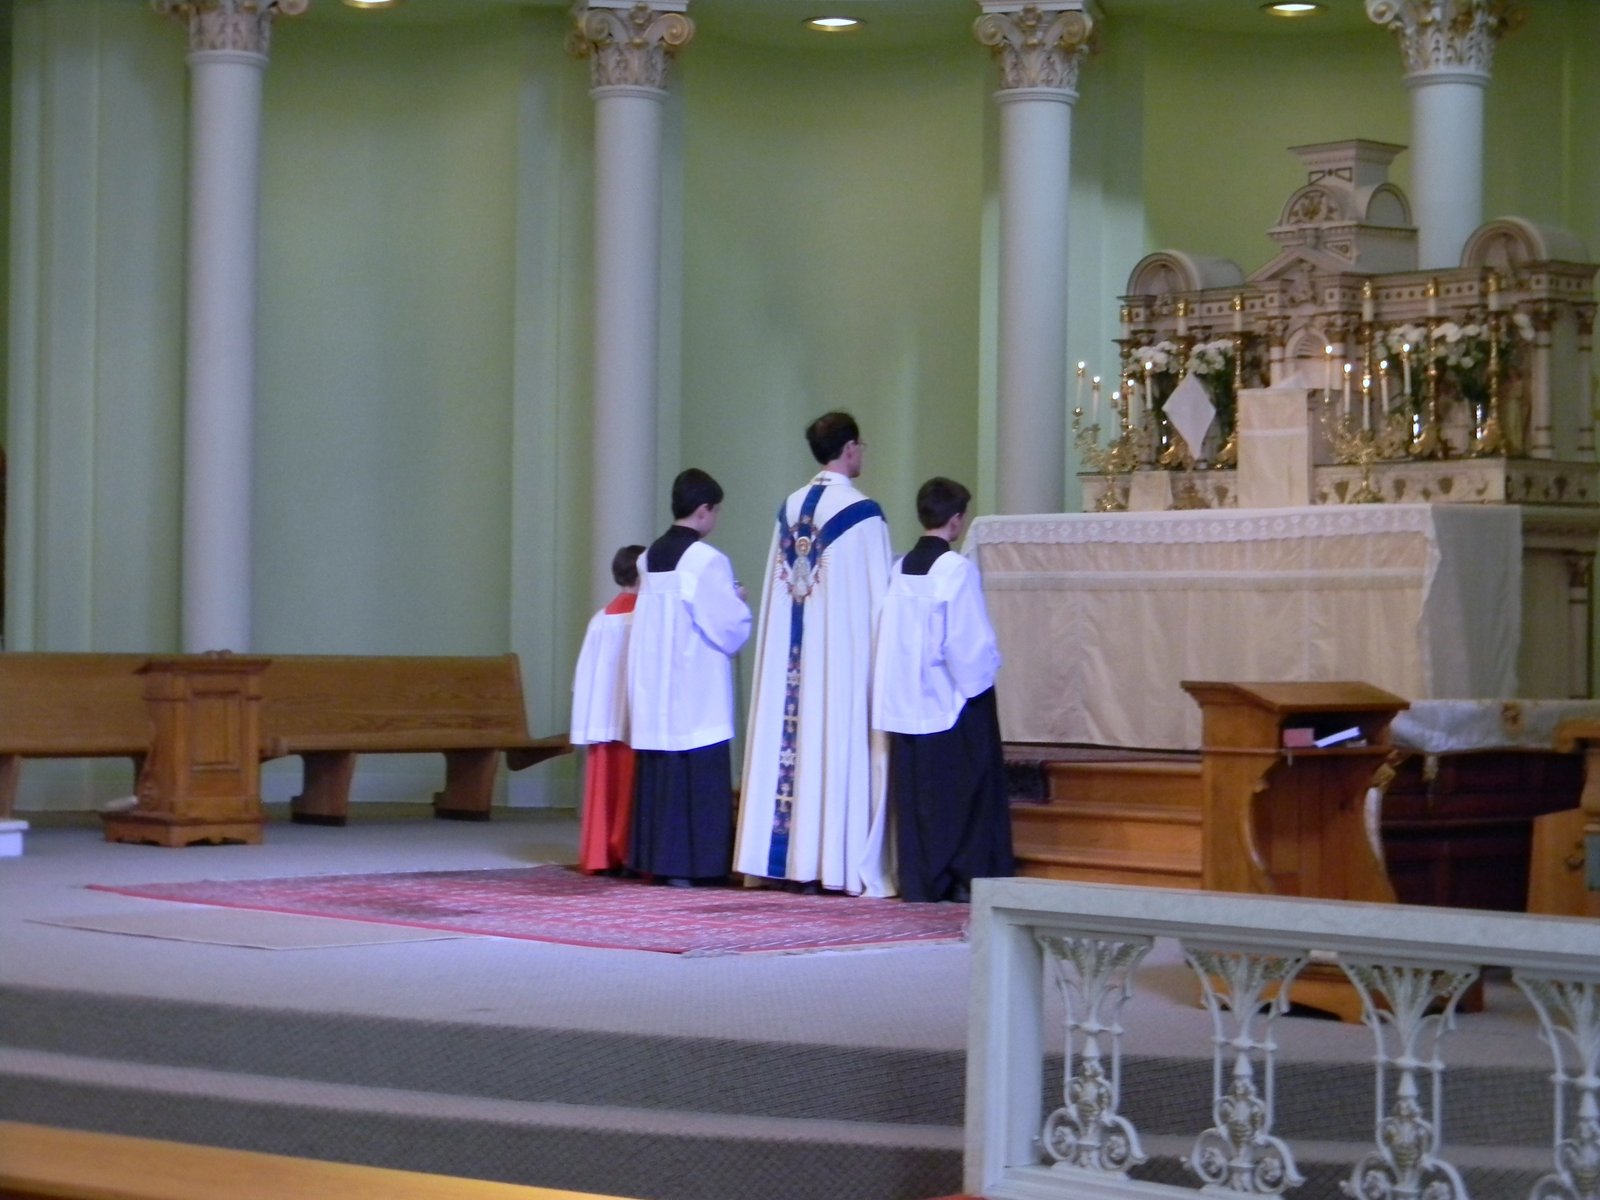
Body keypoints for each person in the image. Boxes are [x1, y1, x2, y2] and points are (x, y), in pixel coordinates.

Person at [735, 411, 894, 897]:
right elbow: (879, 599)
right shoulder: (863, 513)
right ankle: (828, 862)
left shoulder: (789, 508)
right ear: (849, 449)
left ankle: (784, 861)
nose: (862, 452)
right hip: (837, 664)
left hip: (790, 661)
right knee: (831, 739)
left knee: (791, 742)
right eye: (861, 445)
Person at [871, 477, 1013, 903]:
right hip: (946, 700)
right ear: (955, 520)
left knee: (917, 795)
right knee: (961, 788)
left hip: (904, 701)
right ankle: (963, 874)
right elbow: (965, 643)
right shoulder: (955, 569)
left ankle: (921, 879)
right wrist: (982, 682)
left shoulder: (898, 569)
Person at [627, 469, 752, 886]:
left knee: (662, 773)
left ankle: (658, 861)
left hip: (656, 683)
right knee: (696, 772)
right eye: (716, 511)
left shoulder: (647, 558)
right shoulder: (705, 560)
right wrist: (738, 600)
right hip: (694, 685)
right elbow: (728, 626)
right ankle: (695, 866)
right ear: (703, 510)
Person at [569, 544, 646, 875]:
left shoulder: (600, 619)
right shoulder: (647, 617)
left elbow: (583, 675)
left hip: (603, 717)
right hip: (634, 717)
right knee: (631, 787)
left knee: (605, 786)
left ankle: (601, 855)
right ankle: (630, 854)